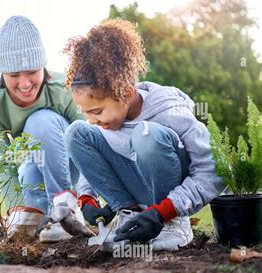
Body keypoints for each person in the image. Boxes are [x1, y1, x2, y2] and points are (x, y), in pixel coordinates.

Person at [63, 19, 225, 251]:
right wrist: (86, 197)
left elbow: (214, 171)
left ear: (127, 94)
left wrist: (164, 211)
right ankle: (130, 217)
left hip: (170, 203)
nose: (92, 120)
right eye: (87, 112)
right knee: (76, 132)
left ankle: (173, 225)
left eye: (97, 111)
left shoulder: (170, 112)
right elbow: (100, 153)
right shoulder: (107, 121)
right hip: (136, 196)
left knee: (146, 135)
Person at [0, 15, 90, 242]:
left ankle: (65, 207)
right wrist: (16, 210)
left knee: (40, 121)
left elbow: (87, 146)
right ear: (2, 74)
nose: (25, 83)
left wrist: (87, 198)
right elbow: (2, 163)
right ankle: (48, 216)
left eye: (32, 71)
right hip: (32, 167)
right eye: (14, 75)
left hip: (69, 166)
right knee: (31, 221)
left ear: (43, 66)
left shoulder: (64, 89)